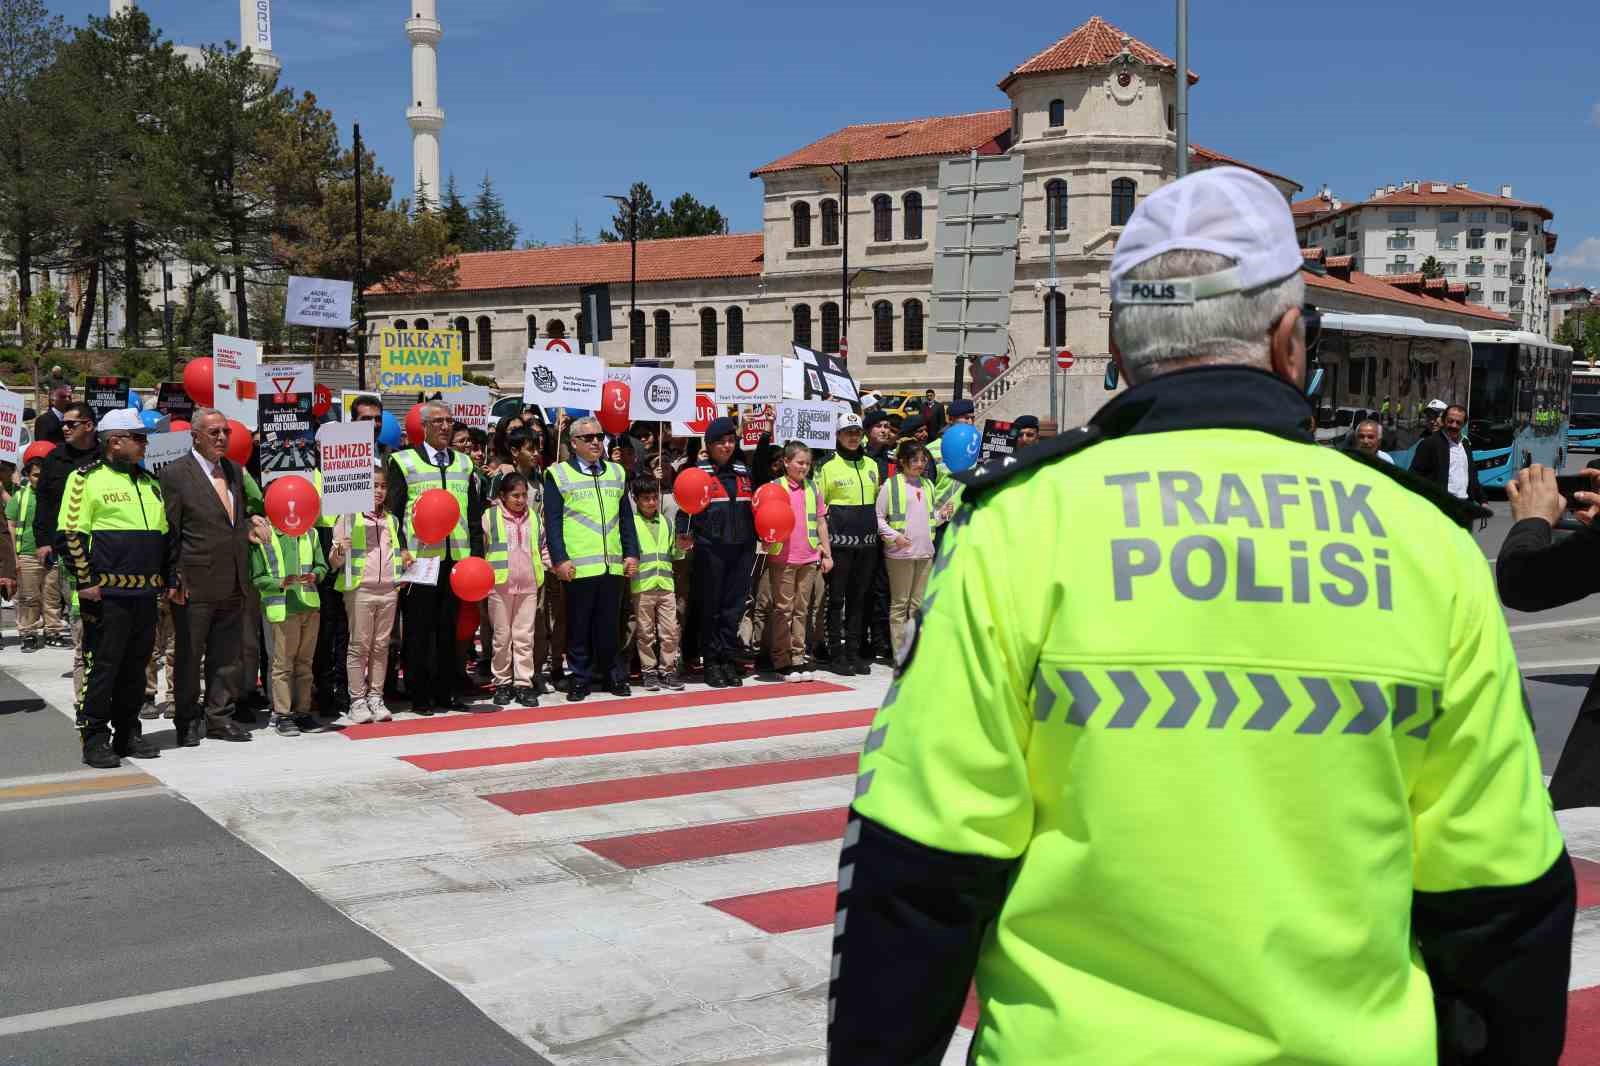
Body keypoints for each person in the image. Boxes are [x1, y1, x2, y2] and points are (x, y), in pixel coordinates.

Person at [827, 167, 1574, 1064]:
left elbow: (913, 873)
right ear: (1291, 341)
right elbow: (1506, 903)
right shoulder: (1425, 544)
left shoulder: (1020, 525)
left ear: (1118, 344)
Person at [59, 410, 170, 769]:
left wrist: (166, 579)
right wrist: (85, 580)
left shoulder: (150, 483)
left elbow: (162, 537)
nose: (145, 444)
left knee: (136, 668)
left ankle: (127, 732)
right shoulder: (84, 479)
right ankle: (94, 737)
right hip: (105, 594)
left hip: (144, 593)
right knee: (102, 667)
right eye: (138, 437)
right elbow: (71, 534)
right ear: (115, 441)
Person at [162, 407, 266, 746]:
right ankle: (187, 719)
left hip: (234, 579)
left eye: (225, 432)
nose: (222, 438)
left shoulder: (235, 471)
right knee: (190, 656)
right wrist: (172, 578)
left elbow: (233, 519)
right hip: (194, 582)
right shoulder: (176, 474)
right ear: (195, 436)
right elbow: (170, 531)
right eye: (214, 432)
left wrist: (251, 525)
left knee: (227, 656)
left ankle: (219, 718)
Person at [387, 399, 485, 715]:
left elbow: (472, 514)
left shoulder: (464, 463)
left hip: (455, 558)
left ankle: (445, 691)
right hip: (419, 559)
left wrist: (476, 557)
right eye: (439, 421)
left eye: (449, 421)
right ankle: (420, 692)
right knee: (418, 629)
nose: (445, 427)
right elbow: (395, 510)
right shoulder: (403, 462)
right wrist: (400, 548)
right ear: (425, 426)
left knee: (448, 628)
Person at [545, 415, 638, 701]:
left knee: (610, 625)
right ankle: (580, 677)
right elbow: (553, 521)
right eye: (588, 438)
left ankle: (613, 675)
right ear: (573, 443)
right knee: (579, 626)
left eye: (599, 436)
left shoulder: (616, 472)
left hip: (612, 564)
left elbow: (626, 518)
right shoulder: (558, 474)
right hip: (578, 566)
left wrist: (631, 553)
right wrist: (559, 559)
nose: (596, 442)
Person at [674, 417, 756, 689]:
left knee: (733, 609)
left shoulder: (743, 469)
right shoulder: (699, 471)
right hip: (712, 548)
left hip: (742, 547)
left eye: (731, 440)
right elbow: (684, 507)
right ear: (709, 444)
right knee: (711, 608)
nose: (727, 445)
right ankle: (710, 661)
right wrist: (684, 533)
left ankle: (727, 659)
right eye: (721, 441)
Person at [332, 465, 410, 724]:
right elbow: (333, 561)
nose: (378, 491)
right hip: (360, 589)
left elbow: (396, 551)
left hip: (388, 589)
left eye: (382, 486)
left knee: (381, 646)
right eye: (373, 485)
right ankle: (356, 700)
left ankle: (376, 697)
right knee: (359, 646)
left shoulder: (392, 520)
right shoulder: (349, 517)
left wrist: (404, 562)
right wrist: (340, 551)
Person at [250, 502, 328, 736]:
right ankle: (283, 714)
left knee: (304, 664)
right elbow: (257, 577)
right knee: (283, 665)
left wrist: (316, 574)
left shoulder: (311, 533)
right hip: (283, 610)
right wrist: (279, 583)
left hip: (309, 607)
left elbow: (322, 565)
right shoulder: (265, 537)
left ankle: (302, 712)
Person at [816, 412, 880, 676]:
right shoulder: (827, 465)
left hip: (867, 543)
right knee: (836, 600)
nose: (853, 437)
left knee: (859, 599)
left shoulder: (872, 465)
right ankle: (836, 654)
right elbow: (820, 507)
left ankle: (853, 651)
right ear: (838, 435)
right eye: (848, 432)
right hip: (839, 543)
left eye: (857, 432)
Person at [765, 442, 830, 680]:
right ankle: (781, 660)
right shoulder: (774, 488)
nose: (804, 467)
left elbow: (821, 522)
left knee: (802, 610)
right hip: (783, 556)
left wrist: (827, 553)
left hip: (809, 556)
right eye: (800, 462)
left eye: (807, 463)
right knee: (784, 609)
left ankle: (798, 656)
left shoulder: (813, 488)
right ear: (786, 462)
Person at [483, 472, 548, 706]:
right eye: (515, 495)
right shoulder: (490, 517)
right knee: (502, 636)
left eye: (524, 495)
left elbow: (542, 547)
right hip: (499, 585)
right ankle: (502, 682)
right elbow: (482, 549)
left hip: (529, 584)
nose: (521, 500)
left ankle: (523, 683)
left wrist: (550, 566)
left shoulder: (534, 517)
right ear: (502, 495)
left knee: (524, 636)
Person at [874, 439, 936, 654]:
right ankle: (901, 652)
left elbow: (929, 518)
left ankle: (917, 651)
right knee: (900, 604)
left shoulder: (928, 484)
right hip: (900, 554)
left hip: (925, 552)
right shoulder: (891, 485)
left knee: (918, 606)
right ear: (902, 461)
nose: (920, 464)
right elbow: (879, 518)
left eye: (923, 459)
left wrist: (941, 515)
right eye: (915, 460)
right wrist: (894, 537)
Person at [628, 477, 684, 692]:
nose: (651, 502)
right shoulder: (632, 523)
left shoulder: (667, 522)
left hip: (666, 585)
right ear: (636, 500)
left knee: (670, 630)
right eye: (646, 499)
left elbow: (674, 554)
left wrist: (681, 547)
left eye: (654, 498)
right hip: (642, 585)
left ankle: (668, 669)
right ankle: (648, 671)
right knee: (645, 631)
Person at [9, 457, 69, 652]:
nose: (40, 479)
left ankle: (53, 631)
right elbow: (10, 524)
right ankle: (28, 633)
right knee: (28, 597)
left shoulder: (54, 497)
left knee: (51, 596)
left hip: (51, 554)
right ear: (27, 475)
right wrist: (14, 556)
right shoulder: (21, 497)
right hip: (26, 554)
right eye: (35, 475)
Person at [1410, 403, 1482, 502]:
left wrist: (1482, 500)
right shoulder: (1429, 443)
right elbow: (1414, 476)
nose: (1454, 425)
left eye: (1458, 422)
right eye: (1450, 421)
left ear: (1464, 424)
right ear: (1444, 421)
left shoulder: (1465, 444)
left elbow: (1472, 475)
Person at [32, 379, 74, 445]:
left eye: (69, 397)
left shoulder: (72, 419)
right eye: (63, 397)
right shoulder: (43, 420)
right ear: (53, 401)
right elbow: (41, 446)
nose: (68, 400)